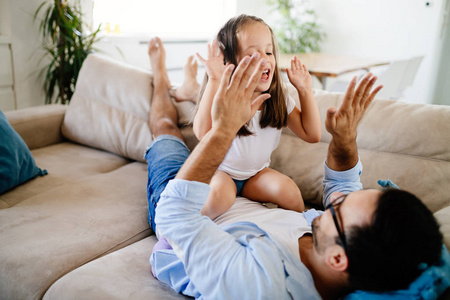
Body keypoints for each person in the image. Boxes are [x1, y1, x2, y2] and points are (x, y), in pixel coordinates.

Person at [145, 37, 445, 299]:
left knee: (166, 128)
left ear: (338, 259)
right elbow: (343, 185)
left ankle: (160, 78)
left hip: (181, 212)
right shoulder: (348, 247)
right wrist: (344, 139)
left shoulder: (259, 285)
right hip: (225, 190)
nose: (332, 202)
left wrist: (223, 131)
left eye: (337, 209)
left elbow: (175, 216)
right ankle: (186, 87)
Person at [193, 15, 321, 219]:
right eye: (253, 54)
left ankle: (300, 234)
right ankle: (176, 237)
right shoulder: (224, 94)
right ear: (230, 63)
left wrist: (305, 90)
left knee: (290, 192)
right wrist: (215, 80)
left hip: (255, 175)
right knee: (219, 198)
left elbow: (312, 134)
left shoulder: (279, 97)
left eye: (269, 52)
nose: (265, 58)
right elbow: (202, 133)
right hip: (221, 173)